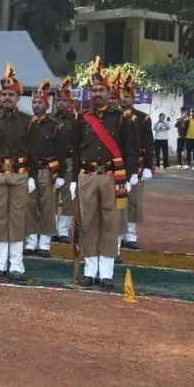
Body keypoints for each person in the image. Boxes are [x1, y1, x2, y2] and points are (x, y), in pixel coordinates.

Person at [74, 58, 138, 288]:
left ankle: (106, 272)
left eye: (101, 90)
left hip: (111, 177)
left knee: (110, 223)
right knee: (89, 223)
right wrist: (72, 180)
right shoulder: (82, 118)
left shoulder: (120, 118)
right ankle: (90, 270)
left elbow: (130, 149)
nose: (97, 94)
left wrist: (130, 176)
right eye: (93, 90)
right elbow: (75, 150)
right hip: (88, 176)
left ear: (109, 92)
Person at [0, 64, 32, 279]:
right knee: (0, 217)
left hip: (20, 174)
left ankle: (16, 263)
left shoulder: (28, 121)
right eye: (4, 94)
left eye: (11, 94)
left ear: (18, 97)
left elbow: (34, 151)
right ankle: (0, 262)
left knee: (17, 217)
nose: (7, 98)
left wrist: (33, 177)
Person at [24, 79, 63, 258]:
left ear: (47, 105)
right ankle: (31, 241)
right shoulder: (27, 123)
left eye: (40, 102)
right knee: (30, 205)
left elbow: (60, 151)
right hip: (30, 171)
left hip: (47, 170)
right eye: (34, 102)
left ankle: (45, 243)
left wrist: (60, 174)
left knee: (47, 206)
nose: (37, 105)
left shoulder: (54, 125)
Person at [117, 71, 152, 250]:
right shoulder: (113, 117)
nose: (124, 99)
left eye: (127, 96)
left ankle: (131, 235)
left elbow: (149, 144)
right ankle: (119, 233)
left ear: (133, 98)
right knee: (118, 201)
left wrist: (148, 166)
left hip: (136, 166)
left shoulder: (143, 118)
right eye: (121, 96)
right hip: (116, 165)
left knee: (134, 201)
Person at [52, 77, 81, 244]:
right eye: (58, 100)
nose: (61, 103)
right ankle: (51, 228)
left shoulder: (75, 120)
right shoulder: (50, 118)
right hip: (52, 162)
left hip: (69, 162)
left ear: (70, 102)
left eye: (64, 100)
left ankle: (63, 230)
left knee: (67, 197)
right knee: (51, 197)